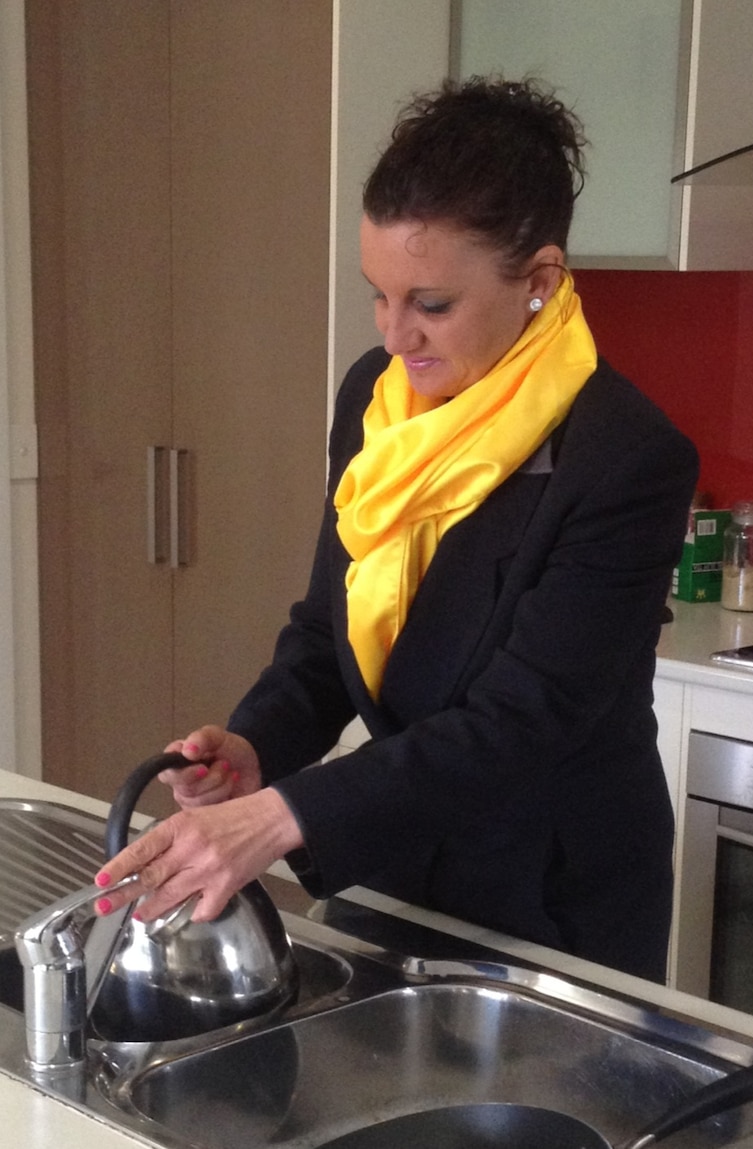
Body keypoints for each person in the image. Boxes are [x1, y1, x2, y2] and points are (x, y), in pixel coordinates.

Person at [95, 77, 699, 983]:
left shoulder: (624, 458)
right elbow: (324, 623)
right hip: (393, 862)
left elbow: (517, 723)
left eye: (432, 304)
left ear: (539, 281)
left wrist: (280, 817)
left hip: (552, 902)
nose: (395, 334)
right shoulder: (377, 401)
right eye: (379, 295)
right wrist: (262, 746)